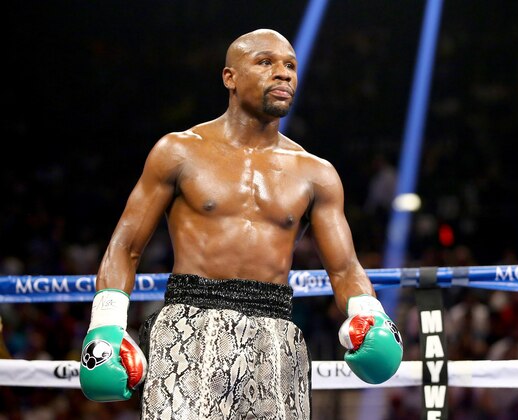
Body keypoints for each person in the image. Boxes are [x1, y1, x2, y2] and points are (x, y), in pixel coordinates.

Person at [78, 28, 403, 419]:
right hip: (190, 323)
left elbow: (344, 268)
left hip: (275, 332)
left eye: (290, 66)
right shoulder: (178, 151)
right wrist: (107, 324)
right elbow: (125, 246)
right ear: (229, 77)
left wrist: (368, 312)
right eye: (265, 62)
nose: (282, 73)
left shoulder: (316, 173)